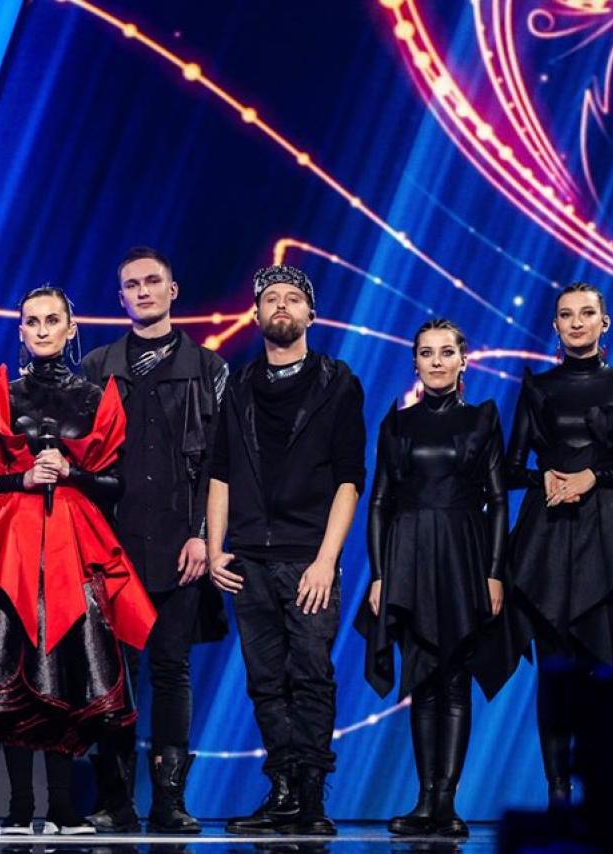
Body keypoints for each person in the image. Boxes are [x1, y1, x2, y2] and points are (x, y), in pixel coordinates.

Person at [0, 286, 157, 835]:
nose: (42, 330)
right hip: (14, 543)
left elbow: (116, 482)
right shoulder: (5, 394)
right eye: (32, 322)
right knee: (12, 669)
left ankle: (61, 807)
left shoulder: (95, 397)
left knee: (67, 670)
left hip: (73, 544)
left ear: (71, 328)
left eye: (52, 320)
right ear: (21, 331)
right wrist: (23, 478)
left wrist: (74, 473)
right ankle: (18, 807)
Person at [502, 282, 613, 809]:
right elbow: (510, 468)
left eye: (586, 313)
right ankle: (558, 796)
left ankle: (609, 799)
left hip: (609, 539)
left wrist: (595, 477)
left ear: (605, 323)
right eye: (566, 314)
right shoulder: (539, 388)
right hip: (547, 537)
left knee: (607, 670)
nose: (576, 322)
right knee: (555, 676)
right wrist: (545, 478)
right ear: (554, 325)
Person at [208, 265, 366, 836]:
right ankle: (282, 789)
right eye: (270, 297)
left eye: (292, 298)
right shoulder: (238, 385)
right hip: (248, 554)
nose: (281, 305)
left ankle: (311, 796)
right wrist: (215, 547)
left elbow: (350, 479)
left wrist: (326, 560)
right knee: (265, 679)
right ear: (255, 313)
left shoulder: (337, 382)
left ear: (310, 314)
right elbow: (220, 472)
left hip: (307, 557)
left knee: (311, 674)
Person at [80, 247, 228, 834]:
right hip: (111, 545)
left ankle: (170, 802)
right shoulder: (97, 367)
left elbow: (219, 464)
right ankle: (115, 802)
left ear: (173, 290)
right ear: (120, 298)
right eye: (132, 285)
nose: (142, 291)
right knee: (112, 674)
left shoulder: (208, 369)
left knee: (170, 669)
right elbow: (82, 459)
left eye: (152, 282)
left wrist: (203, 536)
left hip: (178, 545)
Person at [355, 319, 508, 838]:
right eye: (427, 353)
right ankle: (424, 801)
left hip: (464, 556)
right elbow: (379, 503)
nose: (437, 361)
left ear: (464, 360)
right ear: (415, 362)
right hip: (408, 558)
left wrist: (494, 573)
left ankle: (448, 803)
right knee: (421, 678)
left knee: (455, 677)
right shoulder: (396, 424)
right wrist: (380, 576)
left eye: (446, 352)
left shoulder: (483, 418)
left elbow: (498, 501)